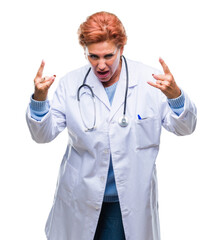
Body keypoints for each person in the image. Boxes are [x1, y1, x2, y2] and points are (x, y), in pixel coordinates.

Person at [26, 11, 197, 240]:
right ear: (85, 52)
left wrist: (175, 96)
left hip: (126, 203)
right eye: (93, 57)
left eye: (108, 55)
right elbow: (42, 135)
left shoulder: (150, 82)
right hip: (80, 199)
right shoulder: (71, 84)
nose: (101, 65)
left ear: (121, 48)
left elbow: (185, 128)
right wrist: (39, 99)